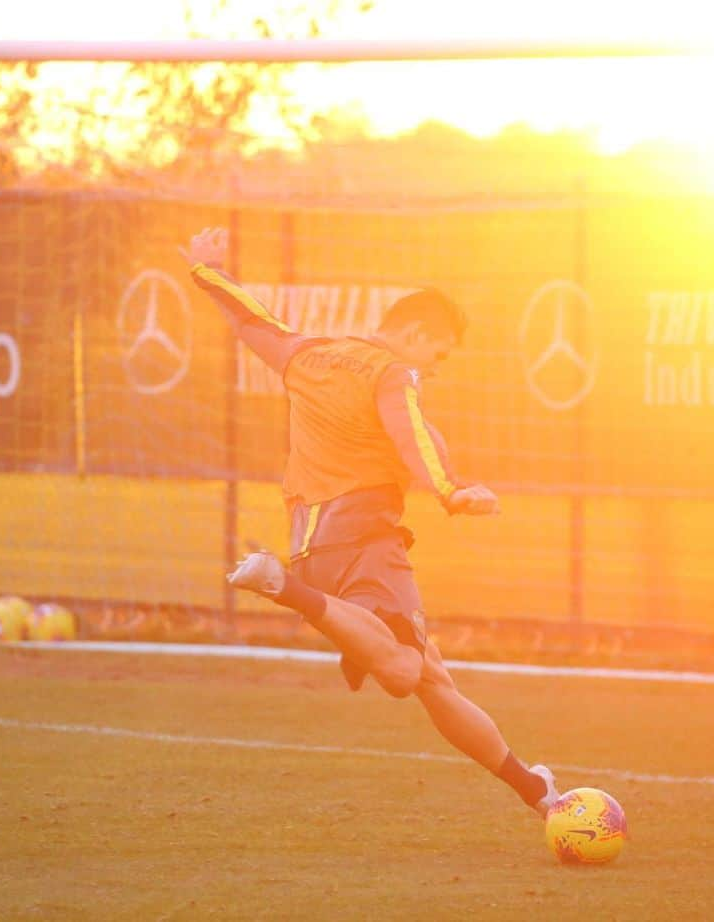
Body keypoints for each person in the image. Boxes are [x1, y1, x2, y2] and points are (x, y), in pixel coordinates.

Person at [182, 226, 561, 817]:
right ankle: (284, 588)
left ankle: (535, 790)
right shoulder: (394, 373)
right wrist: (451, 491)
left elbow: (251, 320)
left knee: (430, 674)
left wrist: (206, 270)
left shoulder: (307, 353)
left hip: (316, 542)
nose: (432, 370)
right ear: (416, 334)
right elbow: (411, 432)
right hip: (364, 533)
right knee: (406, 670)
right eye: (437, 355)